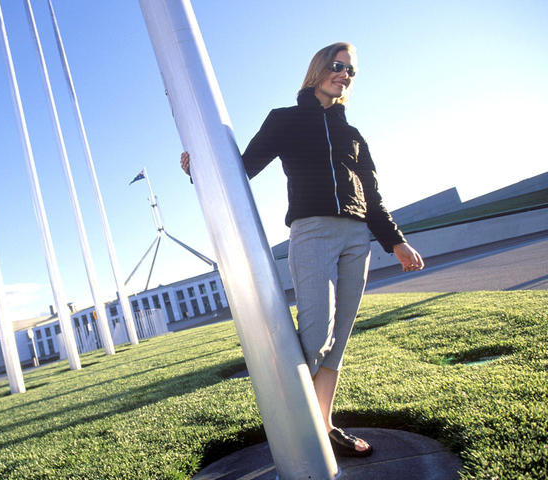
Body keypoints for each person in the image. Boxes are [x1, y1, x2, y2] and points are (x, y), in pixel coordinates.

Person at [181, 42, 424, 457]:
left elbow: (373, 196)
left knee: (339, 337)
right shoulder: (285, 120)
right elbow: (242, 170)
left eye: (351, 71)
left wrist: (395, 242)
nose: (344, 75)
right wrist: (200, 166)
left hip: (356, 238)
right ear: (318, 69)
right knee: (315, 335)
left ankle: (324, 425)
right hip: (312, 233)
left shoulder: (352, 134)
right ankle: (292, 426)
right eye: (337, 66)